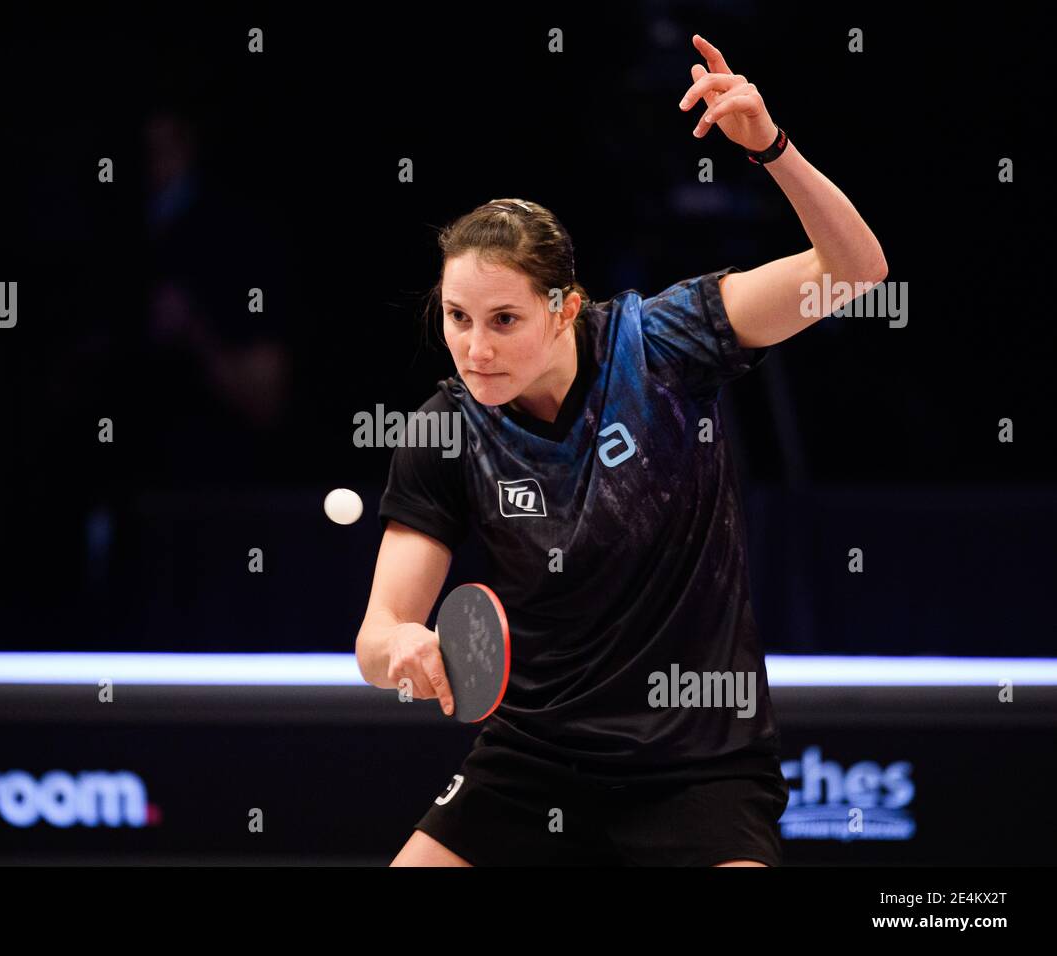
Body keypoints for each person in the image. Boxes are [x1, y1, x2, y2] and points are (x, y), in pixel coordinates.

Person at [354, 34, 887, 866]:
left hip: (697, 769)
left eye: (504, 321)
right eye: (458, 318)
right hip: (532, 762)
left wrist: (773, 149)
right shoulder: (444, 431)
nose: (475, 348)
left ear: (565, 310)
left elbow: (855, 272)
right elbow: (377, 633)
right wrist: (405, 650)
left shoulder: (666, 341)